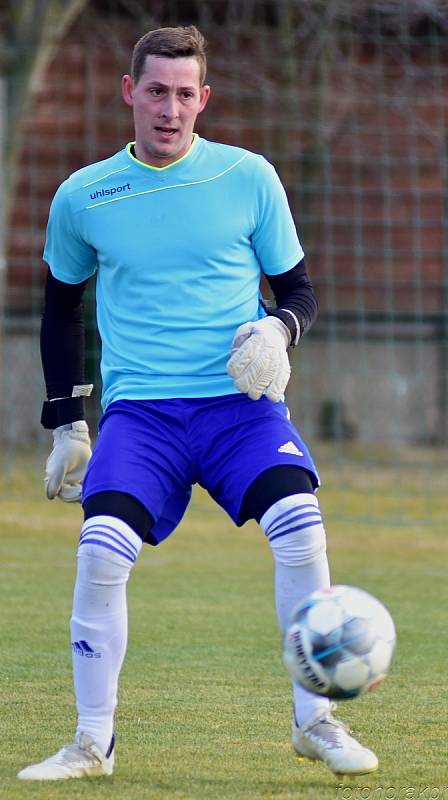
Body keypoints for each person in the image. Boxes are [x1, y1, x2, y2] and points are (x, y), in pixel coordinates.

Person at [18, 25, 378, 781]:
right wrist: (67, 422)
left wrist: (280, 329)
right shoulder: (84, 195)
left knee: (301, 527)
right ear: (130, 92)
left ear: (203, 99)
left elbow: (301, 292)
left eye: (185, 94)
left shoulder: (248, 177)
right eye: (156, 91)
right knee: (100, 550)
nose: (170, 108)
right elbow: (58, 311)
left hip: (239, 410)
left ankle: (316, 720)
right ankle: (92, 742)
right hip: (142, 415)